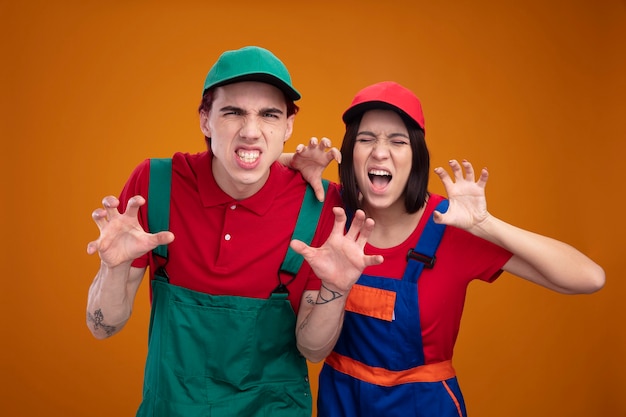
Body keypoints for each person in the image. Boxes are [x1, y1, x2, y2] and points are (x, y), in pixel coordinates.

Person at [85, 46, 382, 417]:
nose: (251, 131)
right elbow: (103, 327)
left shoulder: (321, 206)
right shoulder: (155, 187)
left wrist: (335, 290)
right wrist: (112, 269)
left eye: (269, 114)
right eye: (233, 112)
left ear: (289, 125)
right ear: (205, 120)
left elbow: (313, 350)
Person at [312, 81, 606, 417]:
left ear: (416, 157)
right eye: (366, 139)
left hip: (425, 406)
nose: (380, 152)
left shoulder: (451, 224)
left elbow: (589, 278)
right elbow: (249, 168)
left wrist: (485, 224)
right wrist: (295, 160)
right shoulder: (329, 210)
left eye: (398, 140)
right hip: (341, 402)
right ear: (349, 153)